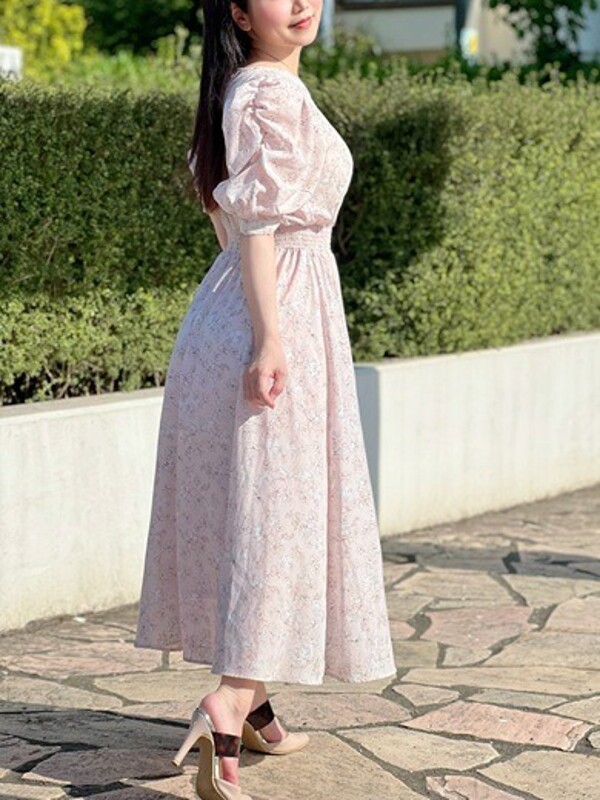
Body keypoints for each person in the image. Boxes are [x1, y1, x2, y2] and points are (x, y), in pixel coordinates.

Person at [133, 0, 396, 797]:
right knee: (279, 516)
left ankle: (256, 703)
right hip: (274, 316)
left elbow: (231, 219)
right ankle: (229, 701)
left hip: (260, 310)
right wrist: (271, 337)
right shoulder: (267, 93)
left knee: (263, 511)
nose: (302, 1)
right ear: (242, 15)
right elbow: (253, 226)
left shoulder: (246, 92)